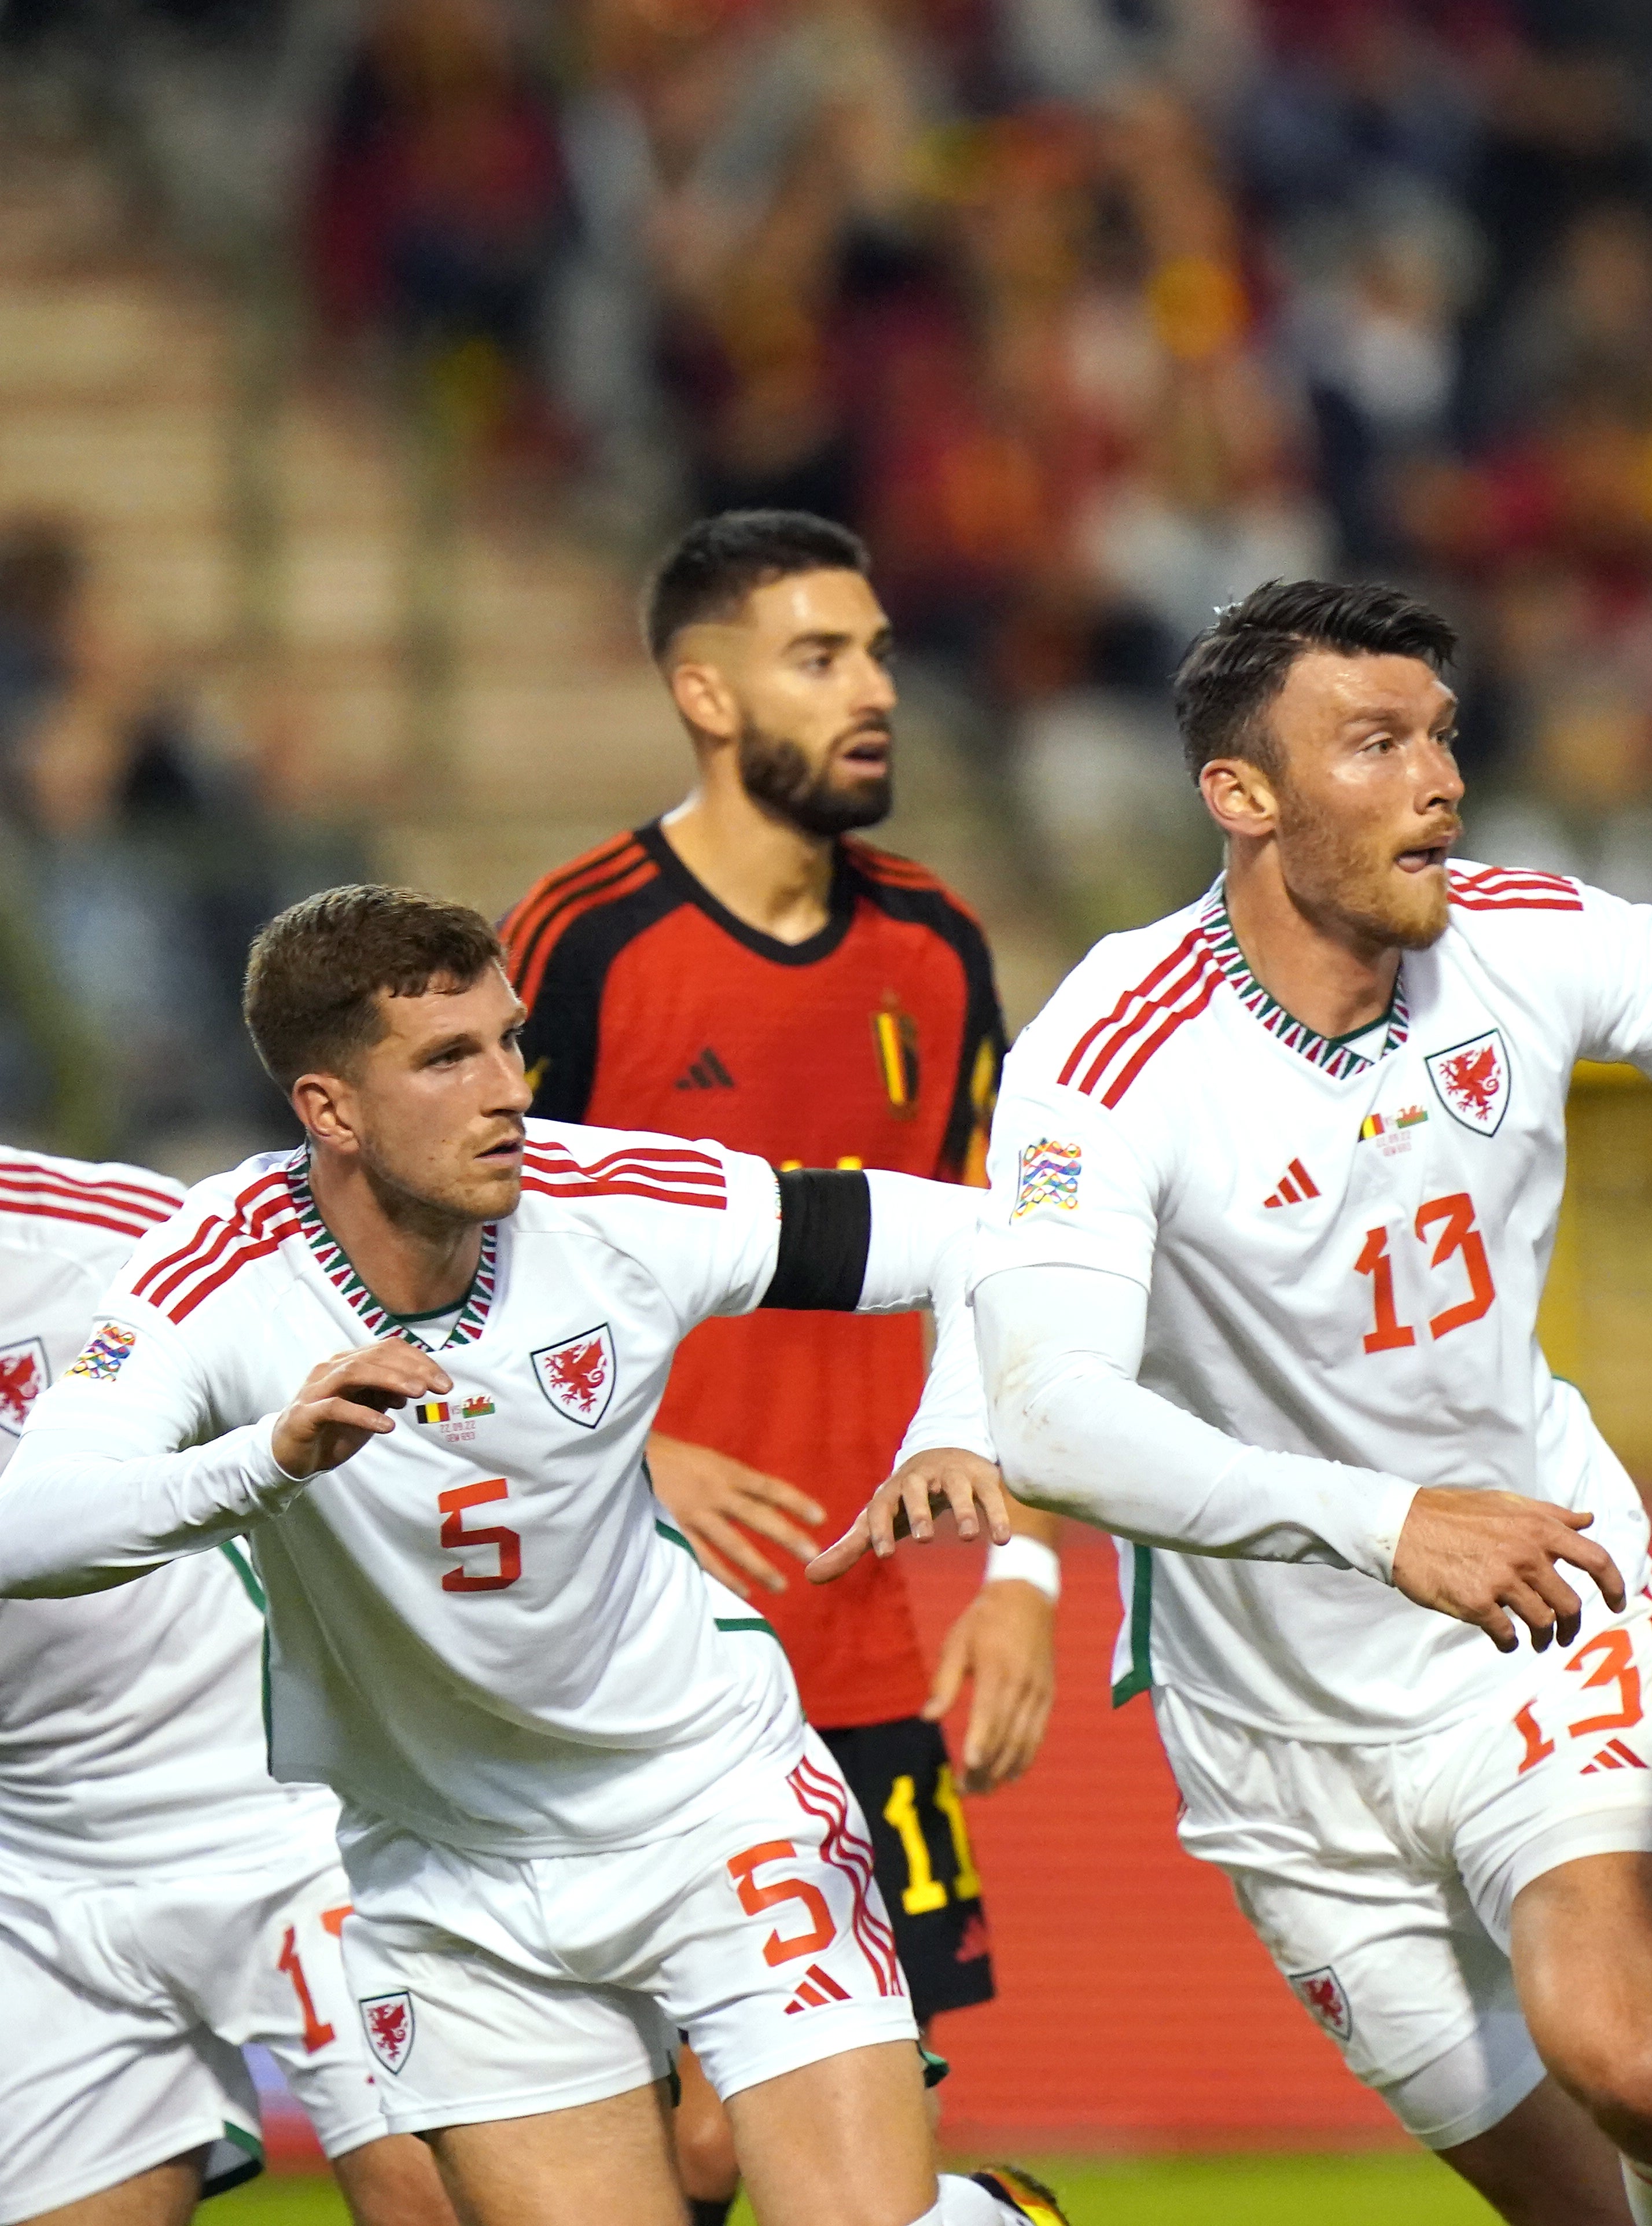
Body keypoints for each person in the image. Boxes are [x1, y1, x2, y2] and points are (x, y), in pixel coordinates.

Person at [826, 577, 1652, 2226]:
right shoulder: (1115, 1051)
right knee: (1574, 2204)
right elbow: (1052, 1413)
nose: (1439, 779)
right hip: (1274, 1743)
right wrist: (1389, 1526)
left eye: (1439, 735)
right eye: (1376, 743)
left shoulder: (1526, 939)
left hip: (1540, 1615)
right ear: (1244, 797)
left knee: (1633, 2060)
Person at [0, 886, 1064, 2226]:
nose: (508, 1087)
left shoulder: (612, 1198)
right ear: (329, 1108)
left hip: (709, 1801)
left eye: (506, 1039)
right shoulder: (211, 1270)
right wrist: (267, 1457)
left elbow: (990, 1234)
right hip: (446, 1875)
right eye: (449, 1060)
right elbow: (27, 1530)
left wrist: (950, 1426)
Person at [502, 510, 1054, 2220]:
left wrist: (1023, 1561)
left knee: (792, 2147)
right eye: (821, 657)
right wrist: (630, 1453)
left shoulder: (939, 949)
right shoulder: (584, 942)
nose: (873, 688)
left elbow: (1011, 1265)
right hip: (621, 1644)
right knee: (655, 2149)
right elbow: (451, 1265)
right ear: (707, 694)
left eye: (880, 649)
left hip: (859, 1638)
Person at [0, 1142, 455, 2226]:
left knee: (440, 2203)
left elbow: (377, 1316)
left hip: (281, 1807)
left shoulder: (84, 1230)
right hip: (32, 1866)